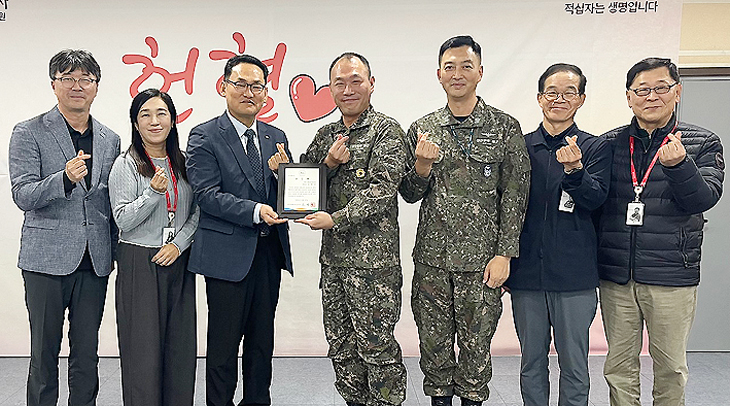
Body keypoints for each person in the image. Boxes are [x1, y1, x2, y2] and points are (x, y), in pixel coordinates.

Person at [399, 35, 530, 406]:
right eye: (450, 67)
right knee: (434, 348)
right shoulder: (423, 128)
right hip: (433, 262)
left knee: (476, 350)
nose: (457, 74)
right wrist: (422, 166)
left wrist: (504, 254)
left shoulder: (504, 127)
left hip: (483, 263)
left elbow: (515, 195)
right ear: (439, 74)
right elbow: (409, 192)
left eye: (466, 66)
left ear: (480, 72)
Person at [597, 57, 724, 406]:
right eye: (642, 90)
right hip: (616, 276)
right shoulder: (609, 144)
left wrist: (680, 165)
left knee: (670, 367)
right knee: (618, 367)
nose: (651, 96)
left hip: (671, 275)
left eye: (661, 88)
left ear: (677, 91)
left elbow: (704, 199)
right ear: (629, 97)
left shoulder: (701, 142)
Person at [8, 49, 120, 406]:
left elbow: (108, 201)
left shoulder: (110, 138)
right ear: (53, 84)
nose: (77, 86)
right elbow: (23, 194)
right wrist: (64, 179)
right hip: (45, 261)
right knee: (44, 354)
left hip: (94, 261)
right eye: (68, 78)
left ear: (96, 87)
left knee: (87, 355)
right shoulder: (28, 131)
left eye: (85, 79)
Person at [295, 52, 408, 406]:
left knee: (377, 350)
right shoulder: (326, 134)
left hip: (374, 268)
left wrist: (336, 219)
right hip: (334, 264)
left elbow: (383, 189)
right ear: (330, 89)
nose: (348, 90)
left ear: (371, 84)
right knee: (342, 348)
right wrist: (327, 163)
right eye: (339, 83)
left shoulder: (387, 131)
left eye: (355, 81)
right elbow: (305, 182)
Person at [186, 54, 293, 406]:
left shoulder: (276, 136)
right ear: (224, 87)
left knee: (262, 343)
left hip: (268, 253)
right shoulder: (204, 135)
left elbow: (289, 196)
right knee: (223, 345)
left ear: (266, 93)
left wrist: (281, 175)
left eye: (257, 86)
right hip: (226, 257)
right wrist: (255, 211)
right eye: (241, 84)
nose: (249, 92)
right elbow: (206, 195)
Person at [505, 64, 612, 406]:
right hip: (527, 275)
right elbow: (504, 207)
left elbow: (596, 199)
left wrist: (575, 170)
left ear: (581, 99)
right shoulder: (520, 147)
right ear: (540, 98)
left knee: (575, 364)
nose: (559, 99)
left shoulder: (596, 147)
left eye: (569, 93)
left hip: (574, 277)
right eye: (552, 92)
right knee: (531, 363)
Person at [108, 88, 200, 406]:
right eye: (145, 115)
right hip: (139, 260)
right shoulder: (126, 164)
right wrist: (152, 193)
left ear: (173, 120)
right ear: (135, 123)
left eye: (161, 113)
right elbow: (123, 219)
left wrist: (180, 244)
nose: (154, 121)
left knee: (180, 350)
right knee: (142, 352)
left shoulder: (185, 162)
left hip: (179, 258)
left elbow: (198, 211)